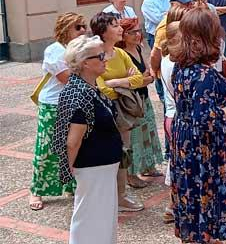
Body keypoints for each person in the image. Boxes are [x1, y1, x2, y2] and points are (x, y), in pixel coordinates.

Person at [170, 8, 226, 243]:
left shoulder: (182, 66)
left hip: (185, 141)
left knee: (192, 195)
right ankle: (207, 236)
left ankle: (199, 235)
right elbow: (205, 119)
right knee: (208, 195)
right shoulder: (204, 73)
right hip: (206, 149)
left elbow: (193, 102)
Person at [54, 35, 123, 243]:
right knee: (89, 218)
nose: (106, 59)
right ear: (85, 63)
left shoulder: (88, 87)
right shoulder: (79, 92)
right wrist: (68, 169)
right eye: (100, 56)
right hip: (92, 166)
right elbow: (72, 141)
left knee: (103, 217)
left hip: (101, 165)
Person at [29, 12, 87, 211]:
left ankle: (71, 184)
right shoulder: (54, 50)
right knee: (47, 147)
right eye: (78, 27)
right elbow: (67, 78)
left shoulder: (80, 49)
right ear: (65, 30)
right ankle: (37, 189)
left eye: (83, 26)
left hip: (74, 103)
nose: (83, 30)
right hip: (53, 104)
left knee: (73, 146)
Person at [90, 13, 146, 212]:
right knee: (104, 154)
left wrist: (117, 82)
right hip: (103, 111)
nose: (120, 29)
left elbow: (139, 79)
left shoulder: (120, 54)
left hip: (123, 112)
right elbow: (99, 88)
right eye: (115, 26)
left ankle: (121, 195)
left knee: (124, 152)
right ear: (103, 32)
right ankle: (105, 196)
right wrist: (124, 83)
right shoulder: (95, 54)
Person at [116, 18, 164, 185]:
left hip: (143, 97)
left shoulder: (138, 47)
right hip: (131, 101)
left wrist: (144, 78)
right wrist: (143, 79)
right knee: (133, 138)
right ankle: (131, 175)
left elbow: (148, 73)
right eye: (132, 32)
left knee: (147, 132)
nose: (137, 35)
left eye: (138, 31)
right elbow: (133, 80)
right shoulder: (121, 54)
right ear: (123, 35)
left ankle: (147, 166)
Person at [159, 21, 181, 225]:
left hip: (171, 115)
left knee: (175, 163)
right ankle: (173, 205)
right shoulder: (175, 63)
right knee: (178, 164)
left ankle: (172, 205)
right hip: (177, 116)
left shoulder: (166, 59)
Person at [141, 0, 170, 104]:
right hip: (155, 36)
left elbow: (171, 13)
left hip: (170, 34)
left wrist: (165, 13)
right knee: (158, 65)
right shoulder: (148, 3)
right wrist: (167, 13)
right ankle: (161, 94)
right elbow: (158, 20)